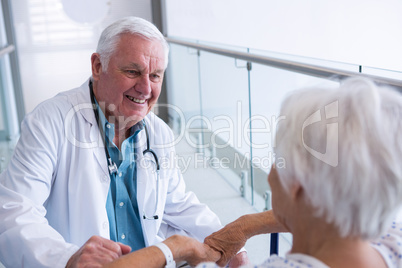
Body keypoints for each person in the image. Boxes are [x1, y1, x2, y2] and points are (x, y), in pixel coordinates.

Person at [0, 17, 246, 267]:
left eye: (155, 76)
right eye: (132, 72)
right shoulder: (50, 121)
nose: (146, 88)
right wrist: (67, 258)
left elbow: (177, 204)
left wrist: (225, 241)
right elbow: (14, 211)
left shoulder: (158, 132)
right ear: (97, 66)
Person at [200, 77, 402, 268]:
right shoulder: (394, 239)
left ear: (298, 180)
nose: (270, 175)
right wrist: (247, 225)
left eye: (277, 159)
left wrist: (171, 250)